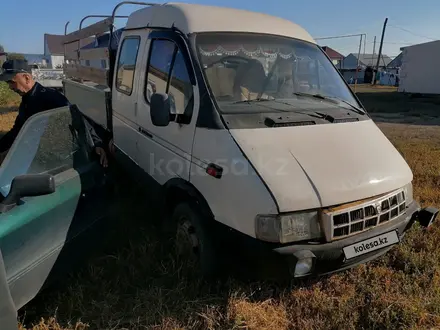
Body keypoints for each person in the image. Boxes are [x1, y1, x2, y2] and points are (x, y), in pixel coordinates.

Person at [0, 59, 108, 167]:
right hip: (38, 157)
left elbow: (77, 119)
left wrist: (97, 142)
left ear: (26, 78)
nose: (10, 87)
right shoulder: (26, 102)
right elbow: (18, 131)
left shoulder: (50, 97)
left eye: (12, 82)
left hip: (61, 161)